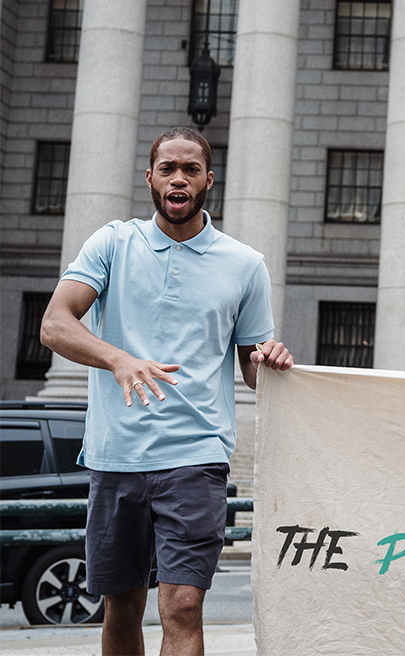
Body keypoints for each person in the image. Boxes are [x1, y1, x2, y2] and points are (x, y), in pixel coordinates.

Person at [40, 126, 294, 655]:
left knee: (182, 604)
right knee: (122, 606)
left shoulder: (245, 264)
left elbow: (252, 369)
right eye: (167, 169)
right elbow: (55, 324)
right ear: (151, 177)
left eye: (191, 169)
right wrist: (117, 358)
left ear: (208, 179)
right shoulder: (112, 242)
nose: (179, 178)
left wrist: (268, 360)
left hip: (196, 458)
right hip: (117, 455)